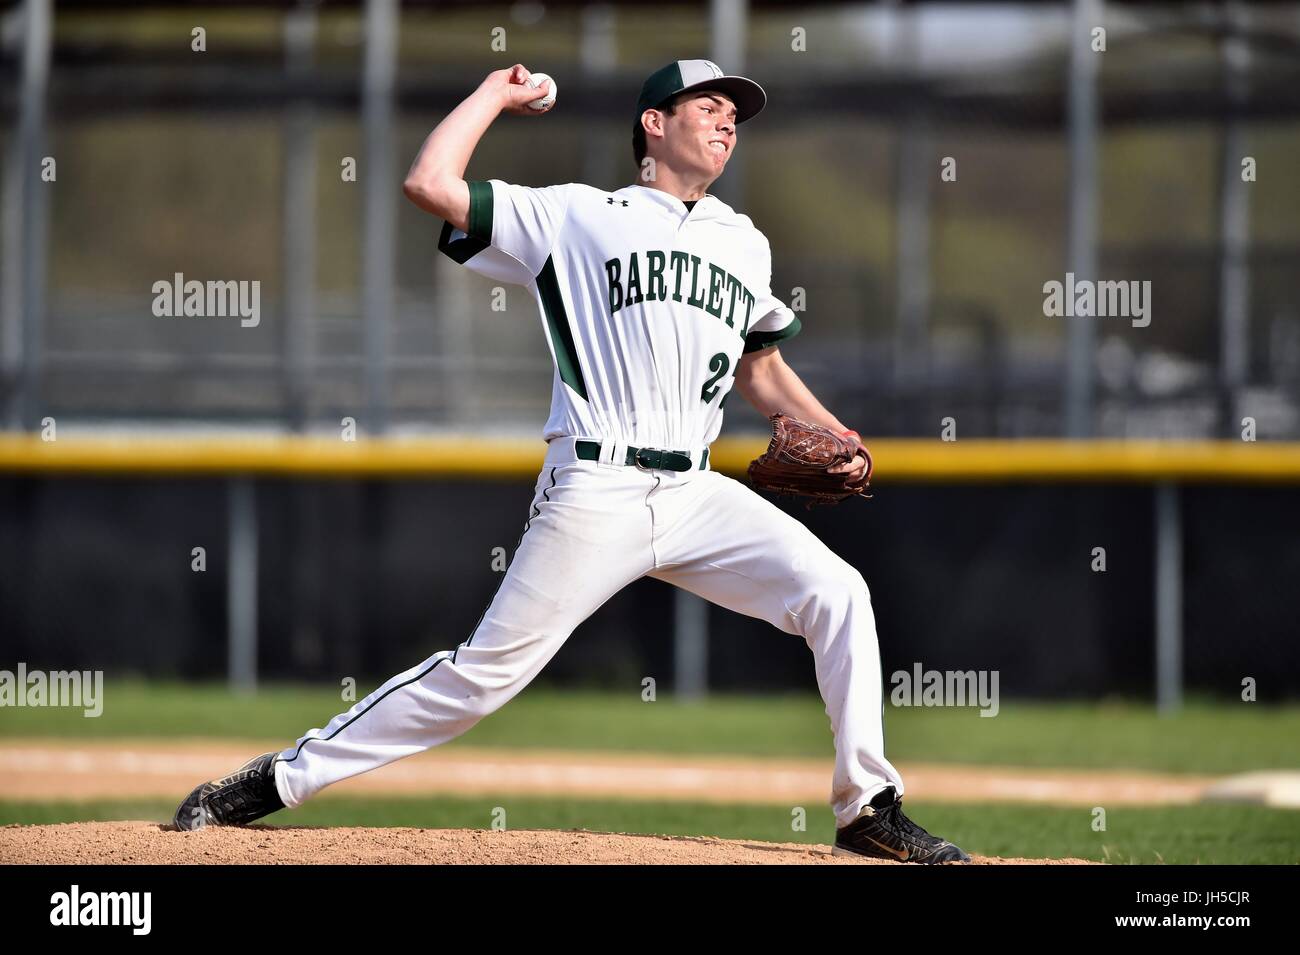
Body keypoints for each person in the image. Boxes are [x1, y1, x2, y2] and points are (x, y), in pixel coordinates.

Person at [173, 60, 970, 864]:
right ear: (653, 124)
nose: (728, 122)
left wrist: (843, 437)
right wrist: (493, 93)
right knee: (481, 678)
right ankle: (279, 779)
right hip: (597, 483)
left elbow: (758, 370)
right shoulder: (577, 216)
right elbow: (430, 182)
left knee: (838, 591)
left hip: (695, 489)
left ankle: (866, 806)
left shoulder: (745, 242)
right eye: (709, 106)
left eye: (737, 114)